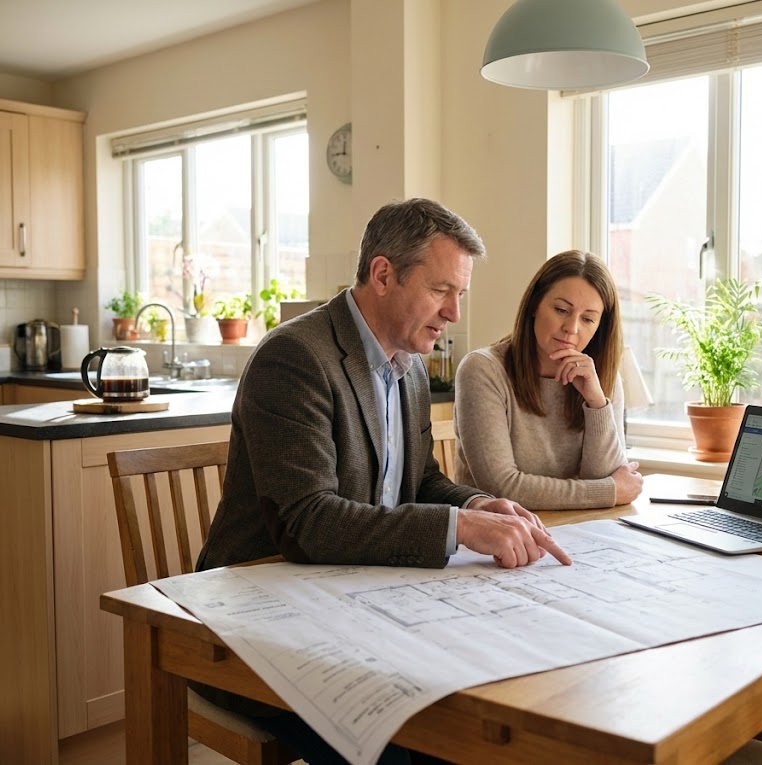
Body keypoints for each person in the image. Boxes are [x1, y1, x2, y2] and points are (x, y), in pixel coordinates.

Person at [194, 197, 571, 765]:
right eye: (443, 290)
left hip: (352, 602)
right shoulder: (295, 358)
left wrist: (481, 504)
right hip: (258, 624)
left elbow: (419, 480)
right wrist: (462, 527)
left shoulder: (411, 365)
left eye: (460, 295)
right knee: (410, 734)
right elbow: (307, 523)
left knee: (470, 702)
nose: (454, 314)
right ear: (383, 274)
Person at [454, 250, 643, 510]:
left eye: (588, 319)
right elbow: (501, 489)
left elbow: (606, 479)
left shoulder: (601, 379)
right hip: (502, 538)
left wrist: (596, 403)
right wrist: (608, 491)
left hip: (583, 532)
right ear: (534, 305)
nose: (572, 328)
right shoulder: (482, 370)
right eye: (561, 310)